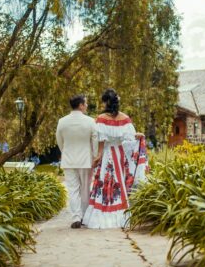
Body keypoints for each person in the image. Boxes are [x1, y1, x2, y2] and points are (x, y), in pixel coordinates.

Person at [83, 89, 148, 229]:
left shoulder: (101, 119)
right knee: (119, 181)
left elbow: (101, 141)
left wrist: (98, 156)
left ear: (106, 102)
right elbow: (129, 138)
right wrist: (138, 136)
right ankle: (120, 213)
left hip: (107, 154)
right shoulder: (125, 118)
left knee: (104, 180)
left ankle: (103, 212)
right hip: (119, 154)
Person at [56, 94, 98, 229]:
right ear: (80, 105)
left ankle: (76, 217)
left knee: (73, 189)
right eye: (85, 103)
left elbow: (59, 140)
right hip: (86, 160)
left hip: (68, 160)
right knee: (85, 189)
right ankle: (84, 216)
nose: (86, 105)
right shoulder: (90, 121)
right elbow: (95, 140)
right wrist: (95, 156)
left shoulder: (62, 121)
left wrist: (65, 152)